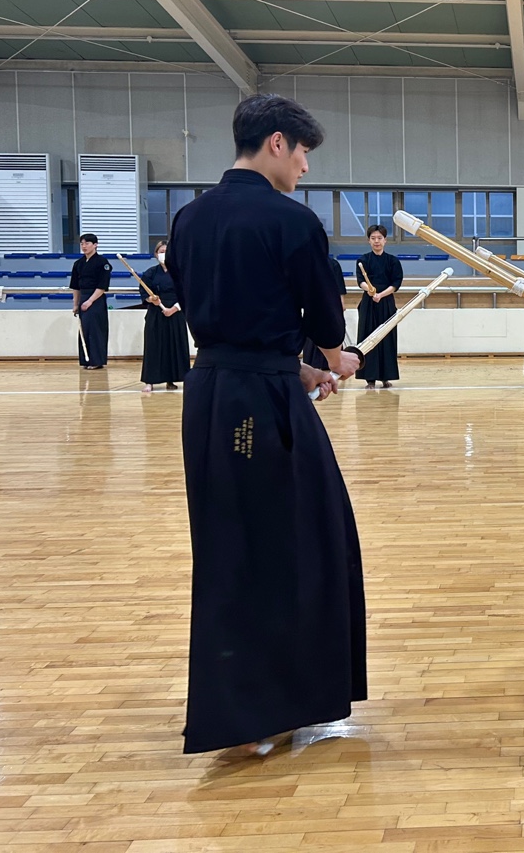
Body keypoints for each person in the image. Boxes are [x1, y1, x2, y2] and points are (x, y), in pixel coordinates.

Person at [166, 93, 364, 757]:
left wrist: (298, 369)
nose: (305, 166)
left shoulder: (188, 218)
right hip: (260, 408)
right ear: (277, 142)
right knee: (297, 543)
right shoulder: (291, 221)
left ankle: (250, 710)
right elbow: (326, 322)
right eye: (303, 152)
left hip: (210, 396)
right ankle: (266, 712)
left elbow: (225, 321)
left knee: (230, 547)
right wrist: (335, 358)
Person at [355, 225, 404, 388]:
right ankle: (369, 378)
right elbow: (360, 281)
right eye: (373, 238)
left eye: (379, 238)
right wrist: (370, 290)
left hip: (386, 303)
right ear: (369, 241)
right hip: (369, 303)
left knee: (386, 338)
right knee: (368, 338)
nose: (376, 241)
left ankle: (385, 377)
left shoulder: (393, 261)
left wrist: (381, 295)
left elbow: (396, 283)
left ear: (385, 240)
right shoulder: (363, 260)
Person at [139, 240, 191, 392]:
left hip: (176, 313)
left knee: (174, 346)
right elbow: (144, 293)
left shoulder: (180, 273)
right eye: (161, 252)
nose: (163, 254)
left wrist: (174, 309)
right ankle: (149, 381)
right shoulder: (150, 273)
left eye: (166, 252)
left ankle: (171, 380)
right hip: (156, 313)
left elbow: (186, 294)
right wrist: (151, 299)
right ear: (156, 254)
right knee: (153, 346)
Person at [69, 233, 111, 369]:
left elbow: (102, 286)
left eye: (87, 243)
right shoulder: (78, 264)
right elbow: (75, 286)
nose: (84, 246)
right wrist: (76, 304)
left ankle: (97, 360)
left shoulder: (102, 262)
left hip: (96, 299)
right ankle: (86, 360)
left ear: (95, 245)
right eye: (82, 243)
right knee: (85, 329)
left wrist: (90, 301)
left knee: (96, 330)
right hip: (83, 297)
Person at [303, 255, 348, 372]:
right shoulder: (306, 262)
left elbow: (340, 287)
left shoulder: (333, 264)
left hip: (330, 305)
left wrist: (341, 303)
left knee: (330, 333)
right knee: (312, 334)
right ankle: (311, 365)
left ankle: (331, 364)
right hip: (313, 305)